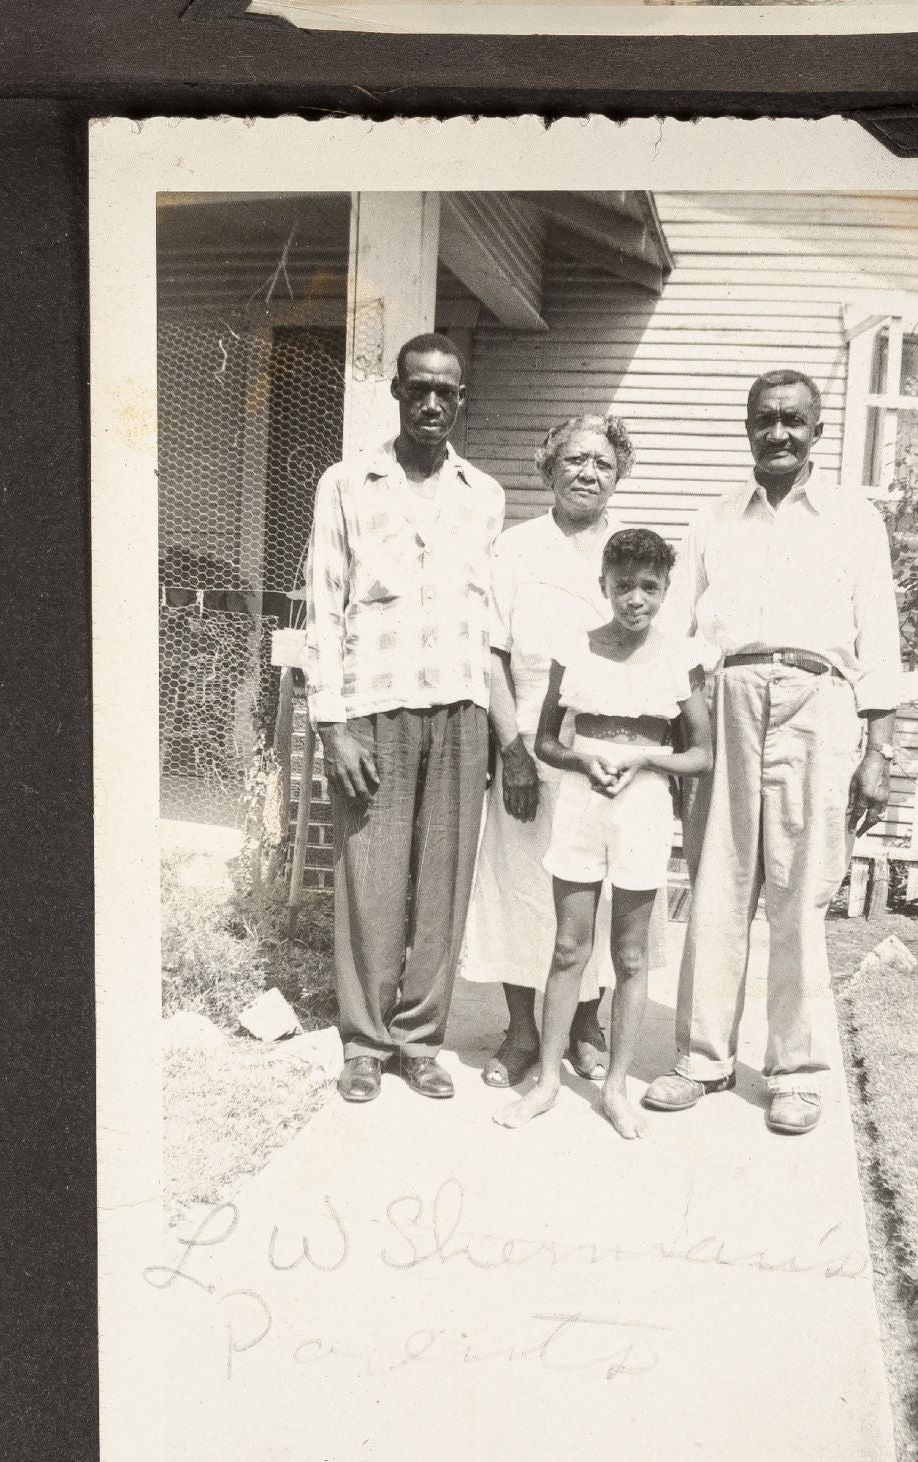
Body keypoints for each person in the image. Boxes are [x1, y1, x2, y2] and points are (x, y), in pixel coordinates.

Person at [643, 368, 904, 1135]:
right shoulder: (712, 518)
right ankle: (702, 1058)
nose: (778, 432)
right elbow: (675, 636)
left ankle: (795, 1072)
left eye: (793, 420)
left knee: (799, 894)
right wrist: (679, 726)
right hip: (725, 699)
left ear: (817, 431)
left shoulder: (853, 520)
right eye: (765, 419)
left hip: (818, 703)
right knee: (715, 886)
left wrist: (879, 747)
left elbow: (879, 636)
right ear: (748, 428)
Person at [303, 332, 511, 1104]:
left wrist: (501, 725)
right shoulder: (346, 483)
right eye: (417, 388)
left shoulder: (483, 495)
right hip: (373, 707)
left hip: (459, 706)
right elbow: (324, 606)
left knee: (443, 883)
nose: (430, 403)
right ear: (396, 391)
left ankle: (420, 1040)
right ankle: (364, 1043)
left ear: (461, 400)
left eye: (444, 392)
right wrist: (333, 725)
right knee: (371, 878)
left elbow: (489, 620)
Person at [496, 529, 713, 1142]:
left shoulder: (680, 657)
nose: (635, 599)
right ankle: (546, 1082)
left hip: (642, 807)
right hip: (581, 801)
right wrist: (581, 760)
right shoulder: (575, 649)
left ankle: (616, 1088)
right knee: (569, 947)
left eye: (649, 587)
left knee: (631, 953)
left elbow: (701, 754)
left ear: (665, 590)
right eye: (623, 586)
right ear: (604, 586)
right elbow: (546, 742)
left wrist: (645, 760)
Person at [460, 415, 634, 1088]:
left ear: (618, 476)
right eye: (574, 460)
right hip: (528, 739)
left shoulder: (629, 547)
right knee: (520, 883)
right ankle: (522, 1032)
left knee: (597, 888)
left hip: (606, 744)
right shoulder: (515, 548)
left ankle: (586, 1023)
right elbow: (493, 654)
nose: (588, 473)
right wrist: (512, 752)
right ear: (548, 468)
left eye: (603, 463)